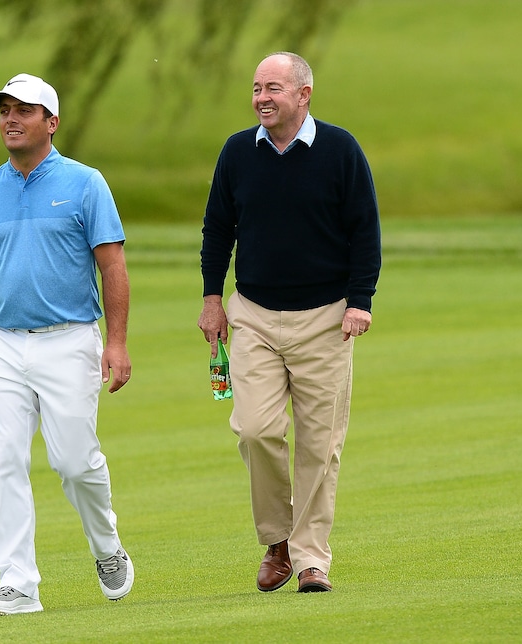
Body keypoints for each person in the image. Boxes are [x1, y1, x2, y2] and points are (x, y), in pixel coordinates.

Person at [0, 73, 134, 617]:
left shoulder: (85, 183)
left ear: (51, 122)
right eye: (4, 110)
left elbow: (112, 267)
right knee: (2, 460)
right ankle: (17, 583)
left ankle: (106, 546)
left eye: (24, 110)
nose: (10, 118)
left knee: (74, 463)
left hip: (68, 339)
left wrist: (115, 344)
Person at [197, 52, 381, 594]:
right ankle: (276, 538)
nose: (261, 98)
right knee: (255, 430)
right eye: (256, 88)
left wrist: (360, 300)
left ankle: (309, 560)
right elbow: (216, 230)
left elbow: (364, 231)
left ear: (304, 94)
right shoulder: (237, 152)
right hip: (251, 313)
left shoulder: (341, 150)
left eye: (273, 88)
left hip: (327, 318)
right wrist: (212, 299)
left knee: (320, 445)